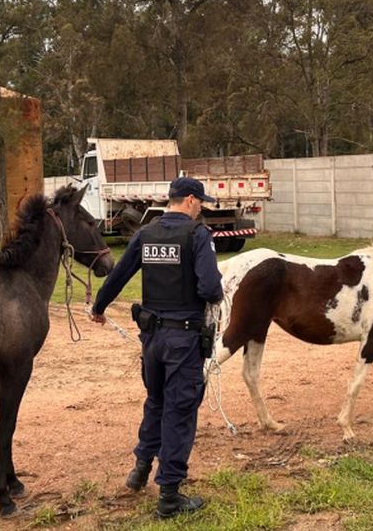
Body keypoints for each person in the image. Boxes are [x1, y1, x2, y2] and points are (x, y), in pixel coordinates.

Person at [89, 177, 223, 519]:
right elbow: (210, 288)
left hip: (151, 340)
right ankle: (169, 496)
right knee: (180, 410)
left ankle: (140, 469)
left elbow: (118, 275)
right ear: (191, 201)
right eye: (201, 203)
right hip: (184, 340)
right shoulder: (197, 236)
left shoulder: (145, 234)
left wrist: (99, 308)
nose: (201, 209)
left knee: (156, 402)